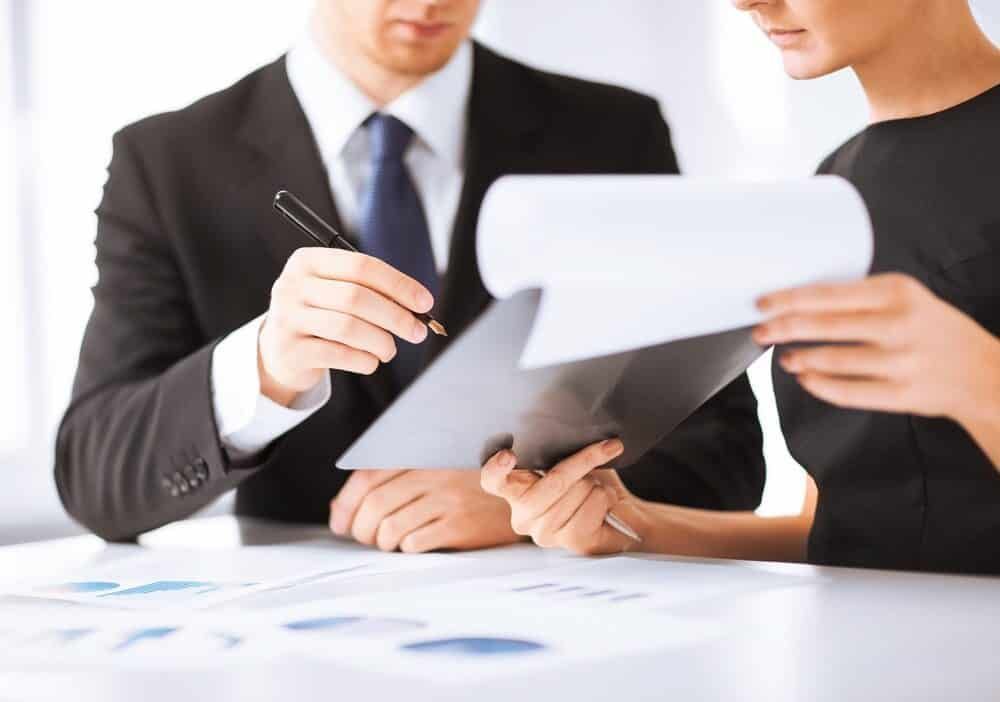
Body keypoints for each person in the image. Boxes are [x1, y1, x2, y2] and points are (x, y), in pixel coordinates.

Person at [56, 0, 767, 547]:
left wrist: (527, 504)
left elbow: (725, 457)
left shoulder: (613, 134)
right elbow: (95, 480)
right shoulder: (170, 163)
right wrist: (262, 369)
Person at [482, 0, 1000, 575]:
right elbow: (841, 530)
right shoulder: (835, 187)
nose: (747, 2)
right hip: (865, 647)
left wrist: (983, 385)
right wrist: (632, 524)